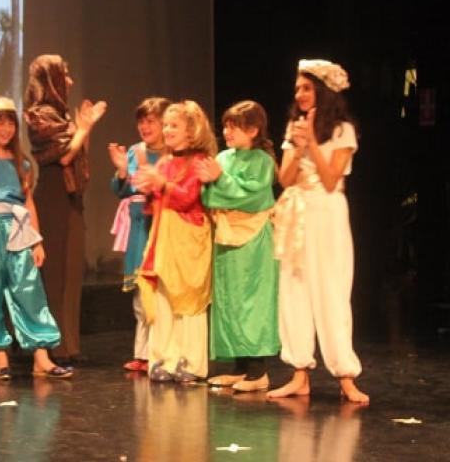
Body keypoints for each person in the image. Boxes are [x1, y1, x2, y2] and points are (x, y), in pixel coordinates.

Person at [266, 59, 369, 404]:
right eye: (297, 88)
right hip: (298, 211)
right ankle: (299, 374)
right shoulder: (294, 127)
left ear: (322, 91)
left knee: (331, 291)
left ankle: (345, 375)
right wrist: (297, 147)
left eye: (307, 88)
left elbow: (329, 180)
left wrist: (311, 142)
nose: (299, 94)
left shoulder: (342, 130)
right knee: (294, 290)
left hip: (327, 212)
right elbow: (284, 179)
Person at [0, 96, 73, 380]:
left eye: (10, 123)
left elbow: (28, 203)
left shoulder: (21, 163)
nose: (5, 128)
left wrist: (37, 241)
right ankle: (0, 356)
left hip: (16, 228)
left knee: (29, 288)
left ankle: (41, 357)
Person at [24, 54, 106, 363]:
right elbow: (63, 155)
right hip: (52, 197)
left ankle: (66, 344)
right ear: (51, 79)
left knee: (71, 271)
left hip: (70, 197)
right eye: (65, 75)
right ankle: (49, 344)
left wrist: (84, 129)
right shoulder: (38, 115)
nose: (70, 81)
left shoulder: (60, 115)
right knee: (54, 273)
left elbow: (78, 153)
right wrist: (84, 128)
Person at [132, 100, 217, 382]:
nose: (167, 130)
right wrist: (148, 188)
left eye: (174, 125)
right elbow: (156, 203)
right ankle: (163, 358)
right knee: (163, 297)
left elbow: (186, 198)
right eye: (166, 125)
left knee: (187, 299)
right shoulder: (165, 162)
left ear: (192, 131)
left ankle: (190, 361)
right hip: (164, 235)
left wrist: (160, 183)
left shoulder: (199, 161)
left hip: (187, 237)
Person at [198, 100, 280, 391]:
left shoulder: (263, 162)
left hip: (253, 237)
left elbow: (252, 196)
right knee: (229, 298)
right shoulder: (223, 157)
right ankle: (239, 367)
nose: (227, 132)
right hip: (226, 233)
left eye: (234, 127)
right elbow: (209, 196)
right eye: (225, 126)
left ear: (254, 130)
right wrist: (212, 183)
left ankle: (258, 371)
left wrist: (220, 180)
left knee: (252, 298)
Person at [107, 97, 171, 372]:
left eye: (151, 121)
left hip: (159, 224)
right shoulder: (135, 151)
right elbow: (121, 190)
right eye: (141, 122)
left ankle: (160, 352)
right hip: (138, 228)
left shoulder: (172, 154)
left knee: (160, 291)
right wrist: (122, 170)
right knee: (140, 296)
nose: (145, 127)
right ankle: (143, 354)